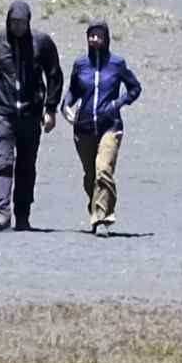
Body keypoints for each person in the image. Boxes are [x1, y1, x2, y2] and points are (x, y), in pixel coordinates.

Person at [0, 0, 63, 234]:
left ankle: (22, 214)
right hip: (2, 112)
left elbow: (54, 75)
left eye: (22, 22)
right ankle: (1, 212)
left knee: (26, 166)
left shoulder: (42, 43)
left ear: (29, 22)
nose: (17, 27)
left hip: (31, 114)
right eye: (14, 22)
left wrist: (50, 110)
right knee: (2, 161)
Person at [69, 18, 142, 229]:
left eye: (99, 35)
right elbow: (73, 91)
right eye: (91, 35)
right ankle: (95, 208)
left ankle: (103, 217)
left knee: (103, 170)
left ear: (106, 38)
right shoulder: (81, 64)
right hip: (83, 127)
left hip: (110, 125)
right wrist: (66, 107)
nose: (94, 39)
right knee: (91, 175)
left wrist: (118, 103)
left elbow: (135, 88)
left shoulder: (116, 64)